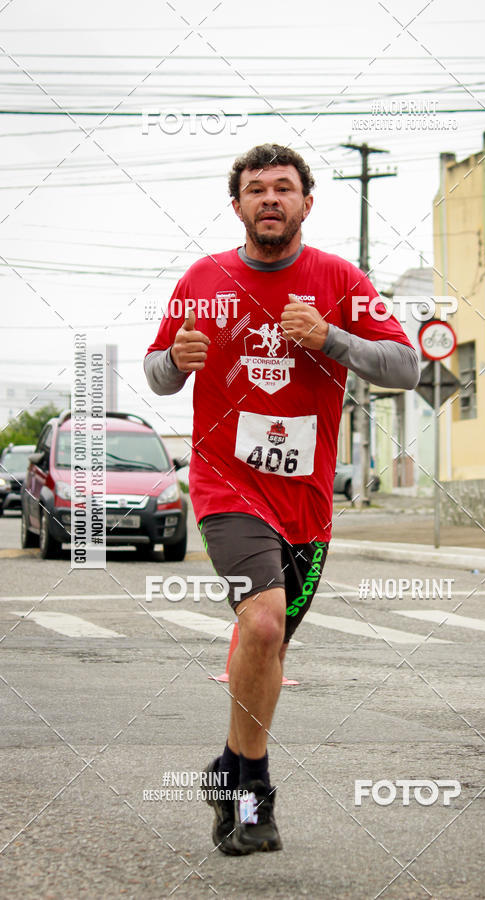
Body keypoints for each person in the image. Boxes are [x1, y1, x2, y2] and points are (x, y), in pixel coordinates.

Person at [144, 143, 419, 855]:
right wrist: (175, 359)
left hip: (307, 504)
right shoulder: (205, 279)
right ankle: (254, 791)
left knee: (264, 650)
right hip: (225, 485)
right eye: (257, 189)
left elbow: (407, 366)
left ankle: (227, 771)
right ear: (236, 205)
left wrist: (329, 337)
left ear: (306, 202)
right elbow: (158, 371)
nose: (271, 198)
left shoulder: (337, 279)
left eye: (284, 188)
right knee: (261, 624)